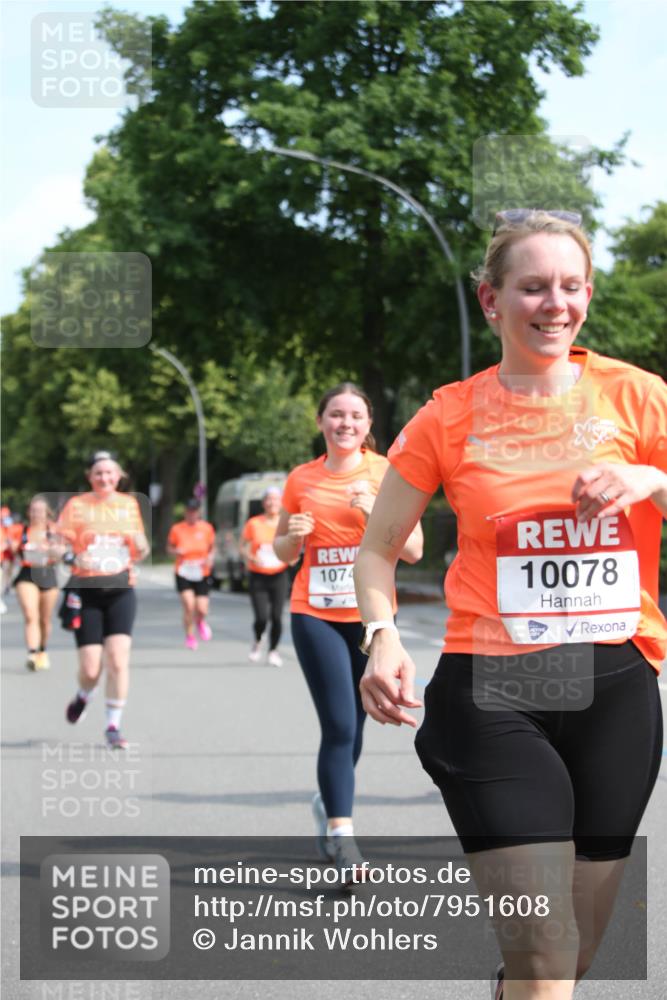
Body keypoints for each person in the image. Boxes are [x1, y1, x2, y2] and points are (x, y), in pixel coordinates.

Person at [353, 210, 667, 998]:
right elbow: (377, 549)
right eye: (531, 287)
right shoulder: (446, 417)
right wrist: (381, 634)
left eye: (568, 287)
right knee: (543, 955)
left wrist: (648, 480)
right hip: (493, 693)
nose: (553, 304)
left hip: (615, 689)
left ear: (587, 296)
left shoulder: (637, 399)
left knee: (579, 953)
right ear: (491, 302)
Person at [273, 382, 423, 882]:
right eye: (335, 415)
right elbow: (280, 552)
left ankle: (328, 801)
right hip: (313, 611)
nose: (345, 424)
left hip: (373, 618)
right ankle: (343, 836)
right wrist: (291, 539)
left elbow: (415, 550)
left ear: (368, 425)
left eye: (355, 416)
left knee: (355, 727)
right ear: (321, 422)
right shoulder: (300, 478)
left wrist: (370, 512)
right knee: (338, 724)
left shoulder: (385, 472)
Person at [56, 450, 150, 749]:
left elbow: (141, 549)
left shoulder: (129, 505)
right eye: (98, 473)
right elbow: (56, 547)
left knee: (119, 661)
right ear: (90, 477)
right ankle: (84, 695)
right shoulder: (77, 506)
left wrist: (141, 546)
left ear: (119, 476)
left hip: (121, 589)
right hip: (87, 591)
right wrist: (72, 555)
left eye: (110, 472)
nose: (104, 477)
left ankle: (113, 726)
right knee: (91, 669)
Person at [240, 486, 290, 666]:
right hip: (258, 575)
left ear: (281, 503)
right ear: (263, 503)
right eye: (269, 499)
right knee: (261, 617)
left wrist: (291, 558)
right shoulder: (254, 523)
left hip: (279, 574)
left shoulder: (285, 523)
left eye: (276, 499)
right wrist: (252, 557)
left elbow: (294, 546)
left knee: (277, 616)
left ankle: (273, 650)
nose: (272, 502)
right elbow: (243, 547)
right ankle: (257, 640)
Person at [12, 495, 61, 670]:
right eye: (33, 510)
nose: (36, 514)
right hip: (27, 574)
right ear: (28, 512)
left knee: (44, 619)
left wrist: (52, 549)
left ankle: (42, 650)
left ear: (47, 513)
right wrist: (11, 546)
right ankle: (31, 653)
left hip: (47, 573)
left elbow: (63, 553)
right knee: (30, 614)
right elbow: (10, 549)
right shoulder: (20, 530)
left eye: (40, 511)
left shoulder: (54, 531)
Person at [166, 498, 216, 650]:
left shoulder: (207, 528)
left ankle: (200, 620)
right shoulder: (177, 529)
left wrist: (210, 558)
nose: (191, 514)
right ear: (186, 512)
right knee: (189, 605)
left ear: (199, 512)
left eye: (194, 511)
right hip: (184, 570)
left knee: (202, 608)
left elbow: (212, 548)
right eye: (189, 511)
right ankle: (190, 636)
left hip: (201, 571)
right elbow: (169, 548)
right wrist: (176, 551)